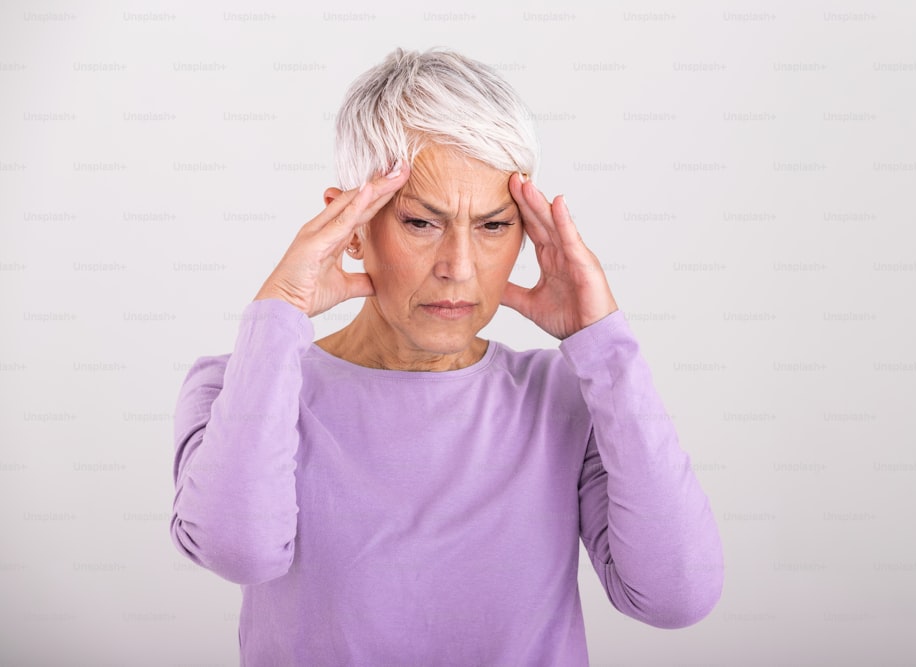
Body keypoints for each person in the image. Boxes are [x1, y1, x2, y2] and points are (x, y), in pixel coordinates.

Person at [170, 46, 724, 666]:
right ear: (349, 223)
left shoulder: (566, 399)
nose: (459, 269)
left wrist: (604, 343)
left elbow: (676, 597)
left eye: (493, 226)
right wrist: (280, 313)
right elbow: (237, 549)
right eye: (421, 223)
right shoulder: (238, 388)